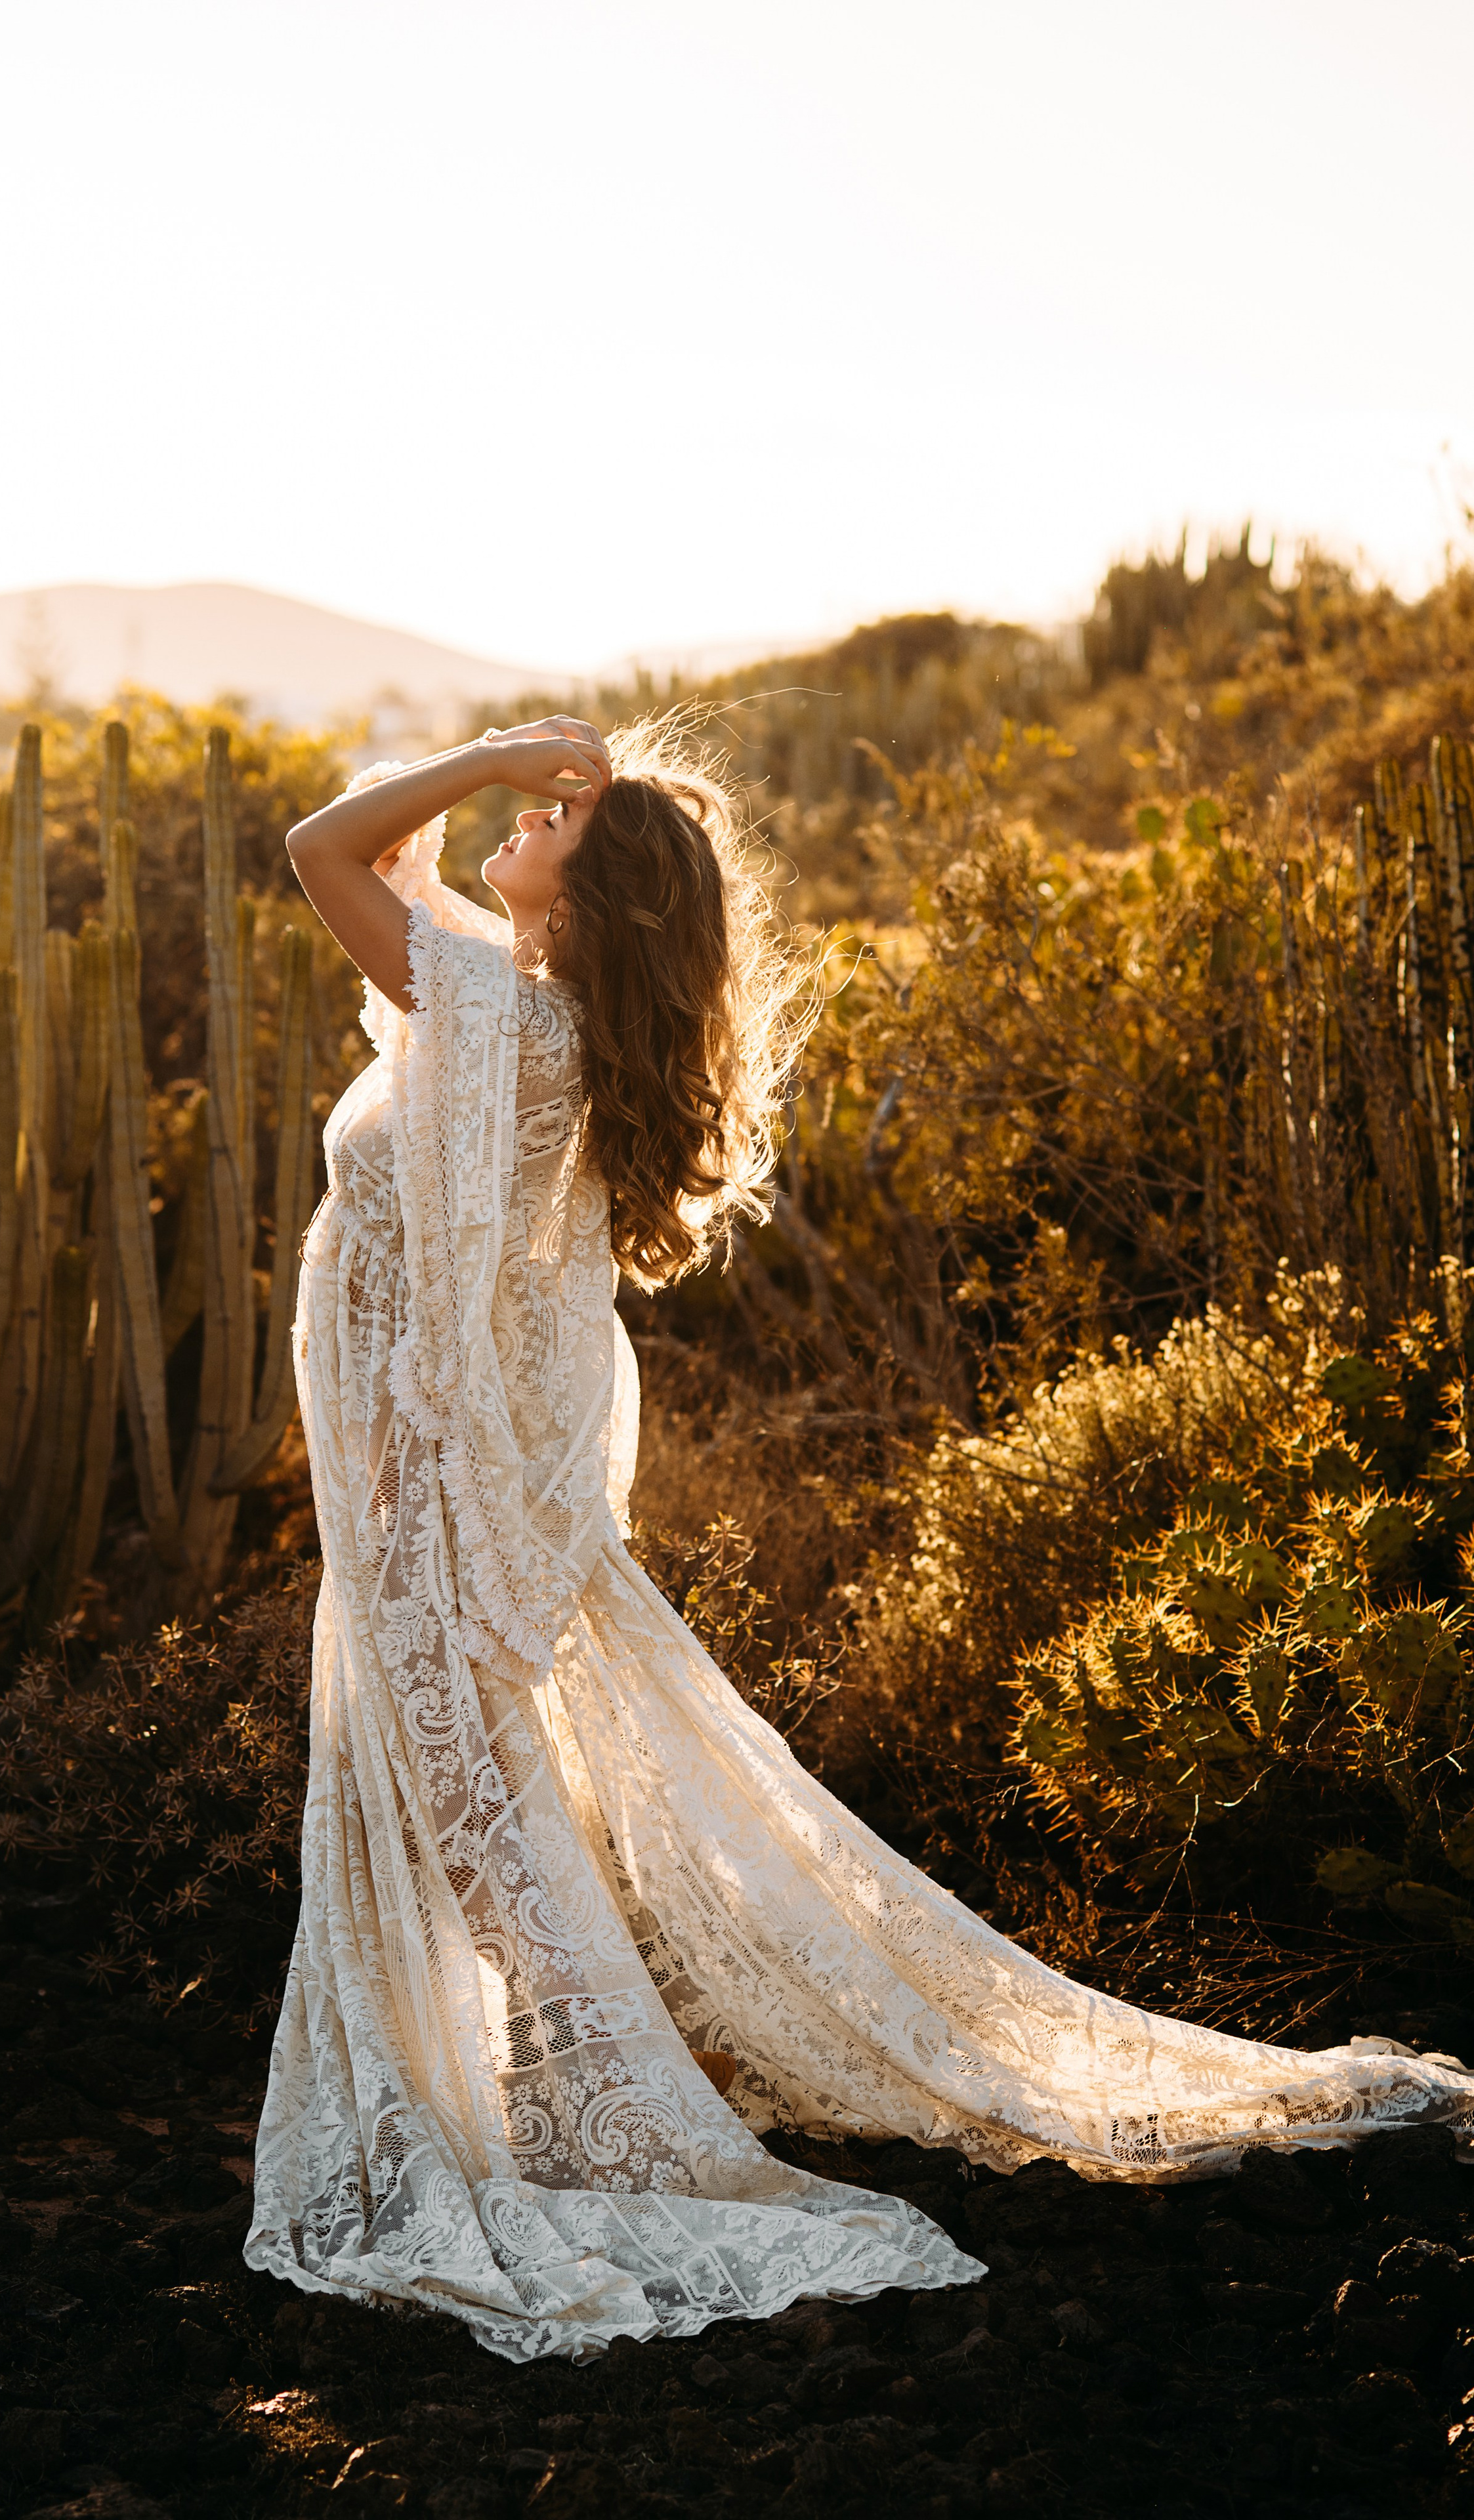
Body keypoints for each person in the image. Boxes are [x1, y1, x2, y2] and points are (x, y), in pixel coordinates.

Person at [245, 714, 1473, 2365]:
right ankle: (571, 2105)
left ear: (588, 905)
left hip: (426, 1509)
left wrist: (483, 756)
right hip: (418, 1498)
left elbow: (322, 849)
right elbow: (378, 862)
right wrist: (508, 802)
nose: (523, 821)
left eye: (548, 824)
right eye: (533, 811)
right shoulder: (512, 1012)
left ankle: (606, 2127)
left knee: (479, 1834)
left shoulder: (505, 1030)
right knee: (481, 1826)